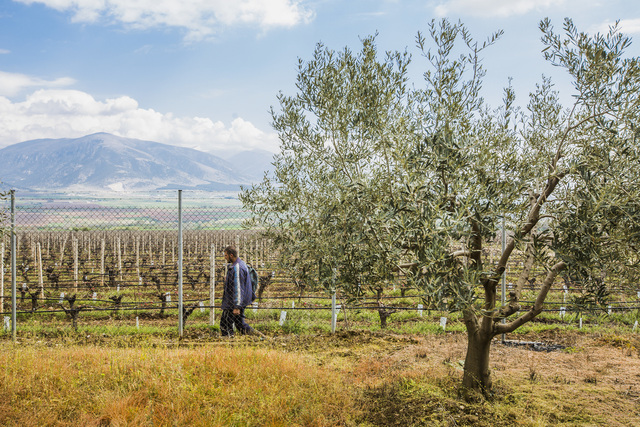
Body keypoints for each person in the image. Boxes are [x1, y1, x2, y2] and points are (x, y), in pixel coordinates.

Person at [220, 245, 262, 338]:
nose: (225, 257)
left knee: (225, 324)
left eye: (226, 255)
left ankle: (228, 341)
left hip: (234, 303)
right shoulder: (239, 264)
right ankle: (260, 336)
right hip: (237, 301)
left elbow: (238, 288)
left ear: (231, 255)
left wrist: (237, 306)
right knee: (240, 325)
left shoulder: (237, 268)